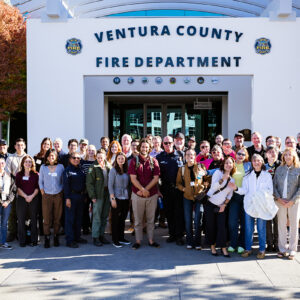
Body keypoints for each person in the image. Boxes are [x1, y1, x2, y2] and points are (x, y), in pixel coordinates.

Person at [231, 154, 274, 259]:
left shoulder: (267, 175)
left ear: (262, 162)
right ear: (252, 163)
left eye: (258, 160)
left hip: (261, 205)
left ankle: (262, 249)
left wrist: (260, 196)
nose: (256, 162)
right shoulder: (247, 176)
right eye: (254, 161)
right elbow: (244, 190)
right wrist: (236, 188)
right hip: (249, 205)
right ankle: (248, 249)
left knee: (261, 228)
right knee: (248, 228)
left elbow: (270, 190)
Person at [128, 139, 160, 250]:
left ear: (149, 148)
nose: (144, 149)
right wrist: (142, 189)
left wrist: (146, 190)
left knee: (151, 220)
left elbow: (156, 178)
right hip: (137, 195)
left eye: (146, 147)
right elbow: (133, 178)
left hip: (152, 195)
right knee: (138, 220)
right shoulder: (133, 161)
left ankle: (151, 240)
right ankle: (138, 241)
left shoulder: (154, 161)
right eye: (142, 147)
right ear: (139, 148)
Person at [156, 136, 185, 245]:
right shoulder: (159, 157)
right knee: (169, 213)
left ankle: (179, 236)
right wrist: (158, 190)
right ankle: (172, 234)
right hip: (166, 189)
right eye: (166, 143)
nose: (168, 145)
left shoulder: (181, 155)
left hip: (179, 189)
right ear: (162, 144)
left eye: (170, 143)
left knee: (179, 213)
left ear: (173, 143)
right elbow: (156, 176)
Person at [176, 149, 207, 250]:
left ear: (195, 156)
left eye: (192, 154)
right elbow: (178, 183)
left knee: (198, 220)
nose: (190, 156)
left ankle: (197, 242)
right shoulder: (182, 169)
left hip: (199, 197)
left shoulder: (200, 167)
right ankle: (189, 241)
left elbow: (207, 179)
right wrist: (184, 189)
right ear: (185, 157)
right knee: (188, 220)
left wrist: (203, 187)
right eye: (188, 155)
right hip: (187, 197)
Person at [205, 156, 236, 257]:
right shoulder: (218, 173)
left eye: (230, 163)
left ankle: (223, 248)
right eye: (226, 163)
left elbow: (230, 195)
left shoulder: (232, 179)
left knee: (222, 227)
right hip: (210, 203)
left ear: (233, 165)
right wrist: (222, 179)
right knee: (211, 226)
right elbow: (213, 188)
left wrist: (224, 205)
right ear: (223, 164)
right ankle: (212, 246)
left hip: (221, 206)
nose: (228, 165)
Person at [273, 148, 300, 260]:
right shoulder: (279, 169)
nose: (288, 156)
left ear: (294, 156)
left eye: (290, 154)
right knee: (281, 225)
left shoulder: (298, 169)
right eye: (285, 155)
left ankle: (292, 249)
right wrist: (278, 198)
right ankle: (282, 249)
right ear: (283, 156)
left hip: (295, 201)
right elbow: (274, 185)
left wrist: (293, 200)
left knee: (294, 225)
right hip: (280, 201)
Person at [227, 147, 251, 254]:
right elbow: (220, 169)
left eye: (243, 154)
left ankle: (241, 244)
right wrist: (206, 171)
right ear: (235, 154)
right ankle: (233, 243)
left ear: (246, 156)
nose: (240, 156)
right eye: (239, 154)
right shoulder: (232, 164)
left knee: (244, 222)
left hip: (245, 196)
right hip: (234, 197)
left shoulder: (249, 165)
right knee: (232, 222)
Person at [39, 149, 64, 248]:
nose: (51, 157)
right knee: (46, 218)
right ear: (47, 157)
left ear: (56, 156)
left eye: (53, 156)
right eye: (49, 156)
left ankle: (56, 236)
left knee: (57, 217)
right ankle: (47, 237)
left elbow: (63, 180)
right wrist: (42, 191)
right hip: (47, 196)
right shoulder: (43, 167)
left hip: (58, 195)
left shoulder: (61, 167)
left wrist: (61, 191)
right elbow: (40, 181)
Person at [86, 149, 111, 247]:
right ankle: (95, 237)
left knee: (104, 215)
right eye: (98, 157)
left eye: (102, 157)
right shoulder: (93, 167)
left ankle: (101, 235)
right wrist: (92, 196)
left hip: (107, 193)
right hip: (98, 194)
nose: (100, 159)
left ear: (105, 157)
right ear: (96, 157)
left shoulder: (108, 166)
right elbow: (89, 183)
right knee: (97, 216)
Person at [63, 152, 87, 248]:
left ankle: (77, 237)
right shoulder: (67, 171)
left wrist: (84, 196)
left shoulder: (81, 169)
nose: (76, 159)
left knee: (78, 218)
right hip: (71, 197)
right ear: (70, 159)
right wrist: (67, 198)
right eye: (74, 158)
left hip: (81, 197)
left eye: (78, 158)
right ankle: (70, 240)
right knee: (70, 219)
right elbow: (66, 186)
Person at [5, 138, 27, 242]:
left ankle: (22, 232)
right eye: (18, 145)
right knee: (12, 212)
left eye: (22, 145)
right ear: (15, 146)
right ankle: (12, 232)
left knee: (24, 212)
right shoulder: (10, 158)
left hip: (26, 187)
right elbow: (8, 173)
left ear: (25, 146)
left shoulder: (28, 157)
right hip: (13, 187)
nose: (20, 147)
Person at [15, 155, 39, 247]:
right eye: (26, 161)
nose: (28, 163)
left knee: (33, 219)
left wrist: (31, 196)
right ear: (23, 163)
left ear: (32, 163)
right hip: (21, 199)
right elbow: (18, 188)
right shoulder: (19, 174)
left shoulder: (36, 174)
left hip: (34, 198)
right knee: (21, 220)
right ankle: (22, 240)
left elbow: (37, 187)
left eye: (30, 162)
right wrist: (26, 196)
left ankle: (34, 240)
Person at [108, 152, 131, 248]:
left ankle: (121, 238)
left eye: (122, 158)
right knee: (115, 219)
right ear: (116, 160)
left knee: (122, 219)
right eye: (119, 158)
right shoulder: (113, 170)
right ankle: (115, 239)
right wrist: (112, 198)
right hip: (116, 197)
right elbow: (110, 185)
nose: (121, 160)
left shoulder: (127, 170)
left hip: (125, 197)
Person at [34, 137, 53, 236]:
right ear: (42, 145)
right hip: (39, 186)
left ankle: (49, 228)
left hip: (50, 186)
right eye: (45, 144)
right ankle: (42, 230)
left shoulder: (52, 157)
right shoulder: (36, 157)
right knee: (41, 209)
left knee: (49, 209)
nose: (46, 146)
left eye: (48, 144)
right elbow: (34, 169)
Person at [265, 145, 280, 252]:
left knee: (278, 222)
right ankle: (269, 244)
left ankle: (277, 243)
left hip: (278, 197)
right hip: (266, 198)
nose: (272, 154)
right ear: (266, 154)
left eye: (274, 152)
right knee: (268, 222)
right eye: (270, 152)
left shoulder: (281, 165)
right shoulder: (263, 167)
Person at [81, 144, 97, 234]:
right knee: (85, 208)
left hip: (95, 189)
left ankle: (93, 226)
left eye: (92, 150)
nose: (91, 152)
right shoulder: (83, 162)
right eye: (89, 150)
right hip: (85, 189)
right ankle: (85, 227)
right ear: (86, 151)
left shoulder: (97, 162)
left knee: (95, 209)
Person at [0, 158, 14, 249]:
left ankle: (3, 242)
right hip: (1, 201)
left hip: (7, 202)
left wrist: (7, 201)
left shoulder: (9, 176)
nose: (1, 164)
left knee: (4, 223)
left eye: (2, 162)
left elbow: (13, 190)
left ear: (5, 164)